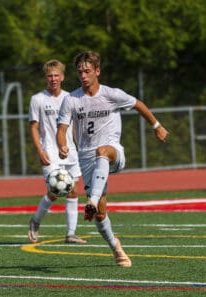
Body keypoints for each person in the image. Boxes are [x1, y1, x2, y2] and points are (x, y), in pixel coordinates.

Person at [56, 51, 168, 267]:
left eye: (87, 71)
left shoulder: (111, 94)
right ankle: (116, 247)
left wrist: (156, 126)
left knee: (103, 151)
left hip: (113, 151)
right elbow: (62, 129)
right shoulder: (71, 99)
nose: (83, 75)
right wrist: (62, 144)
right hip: (87, 159)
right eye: (80, 72)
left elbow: (138, 104)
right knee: (99, 216)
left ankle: (92, 200)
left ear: (97, 71)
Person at [28, 59, 86, 245]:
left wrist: (81, 148)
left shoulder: (71, 98)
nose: (53, 79)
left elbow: (75, 127)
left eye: (56, 75)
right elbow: (34, 128)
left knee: (73, 191)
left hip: (70, 152)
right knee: (56, 190)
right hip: (50, 152)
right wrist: (40, 151)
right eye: (49, 75)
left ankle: (70, 234)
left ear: (62, 77)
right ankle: (35, 221)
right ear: (46, 78)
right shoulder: (37, 99)